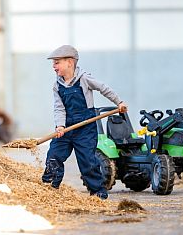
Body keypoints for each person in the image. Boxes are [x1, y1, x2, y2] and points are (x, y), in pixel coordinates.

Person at [42, 45, 128, 199]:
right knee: (54, 155)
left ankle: (97, 192)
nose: (53, 67)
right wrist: (60, 125)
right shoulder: (57, 85)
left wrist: (119, 102)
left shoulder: (84, 79)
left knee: (87, 161)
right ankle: (49, 188)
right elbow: (59, 108)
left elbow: (104, 88)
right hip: (66, 128)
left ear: (69, 62)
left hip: (85, 127)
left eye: (56, 62)